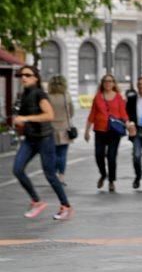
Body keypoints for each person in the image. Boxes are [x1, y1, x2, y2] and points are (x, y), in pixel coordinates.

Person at [12, 65, 73, 220]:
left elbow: (49, 115)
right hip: (30, 139)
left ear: (36, 77)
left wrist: (25, 119)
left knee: (50, 175)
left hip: (45, 139)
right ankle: (36, 202)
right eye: (21, 75)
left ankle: (65, 206)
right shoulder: (23, 95)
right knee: (17, 169)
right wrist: (18, 123)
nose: (23, 77)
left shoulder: (40, 94)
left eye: (27, 74)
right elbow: (22, 118)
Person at [85, 74, 129, 193]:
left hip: (114, 131)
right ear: (102, 83)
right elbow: (92, 115)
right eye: (105, 81)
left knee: (111, 156)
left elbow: (123, 114)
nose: (108, 83)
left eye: (110, 81)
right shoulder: (98, 97)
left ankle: (111, 181)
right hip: (99, 130)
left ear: (114, 83)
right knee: (98, 155)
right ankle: (103, 174)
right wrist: (87, 131)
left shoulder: (119, 97)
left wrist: (128, 124)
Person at [47, 75, 74, 186]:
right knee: (62, 154)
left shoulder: (47, 97)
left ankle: (53, 176)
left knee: (52, 154)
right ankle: (61, 177)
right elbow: (71, 112)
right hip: (65, 128)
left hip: (50, 129)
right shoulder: (66, 96)